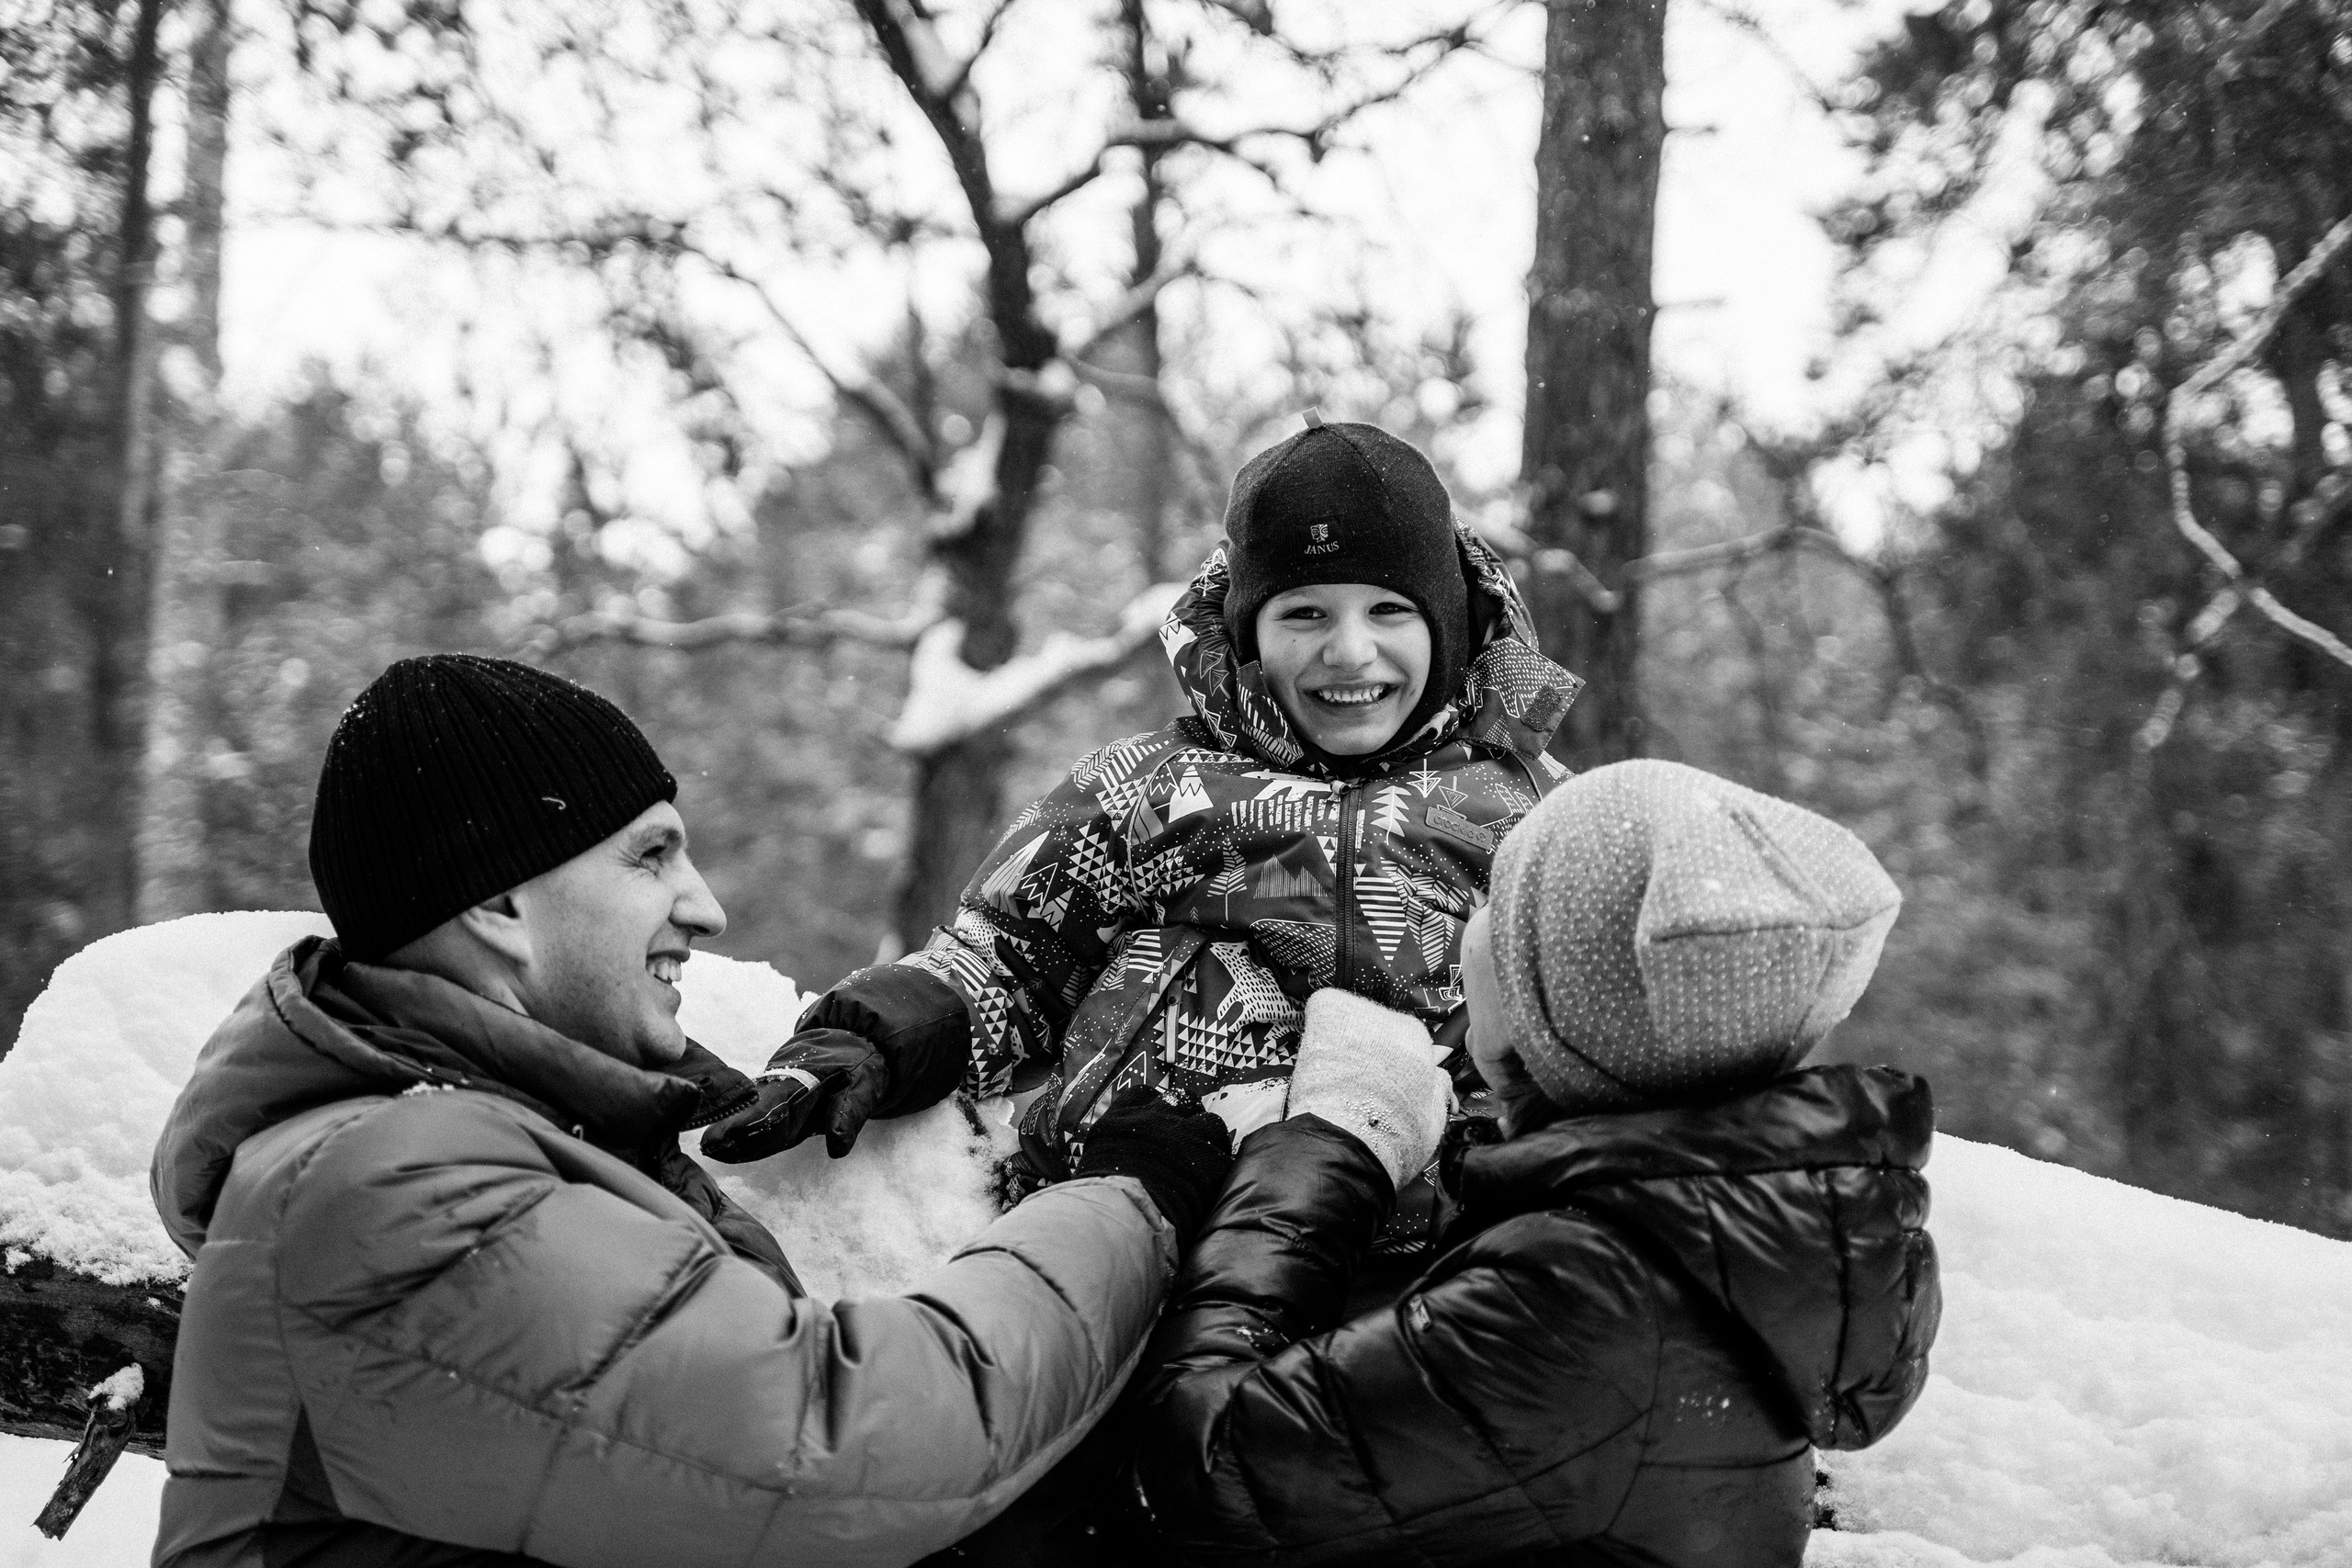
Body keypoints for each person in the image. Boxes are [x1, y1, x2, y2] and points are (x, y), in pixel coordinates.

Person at [148, 654, 1233, 1568]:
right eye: (650, 856)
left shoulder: (473, 1146)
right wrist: (1125, 1200)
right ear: (498, 903)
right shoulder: (392, 1190)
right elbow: (846, 1444)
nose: (704, 906)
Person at [706, 418, 1584, 1273]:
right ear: (1245, 630)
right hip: (1134, 1226)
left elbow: (1588, 1026)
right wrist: (877, 1035)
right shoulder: (1148, 788)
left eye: (1389, 609)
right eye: (1305, 612)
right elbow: (1007, 957)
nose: (1350, 651)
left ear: (1450, 624)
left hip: (1427, 1260)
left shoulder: (1536, 814)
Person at [1126, 759, 1943, 1567]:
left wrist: (1335, 1141)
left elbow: (1193, 1467)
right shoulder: (1683, 1245)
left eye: (1497, 906)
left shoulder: (1585, 1298)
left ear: (1554, 1005)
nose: (1469, 922)